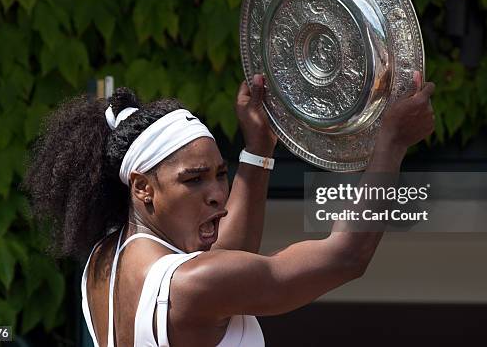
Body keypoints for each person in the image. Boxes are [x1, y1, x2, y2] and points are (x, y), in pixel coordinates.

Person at [22, 71, 435, 347]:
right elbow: (347, 256)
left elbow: (226, 256)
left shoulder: (103, 262)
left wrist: (258, 149)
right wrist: (392, 143)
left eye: (222, 174)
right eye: (194, 179)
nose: (218, 194)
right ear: (144, 188)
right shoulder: (194, 285)